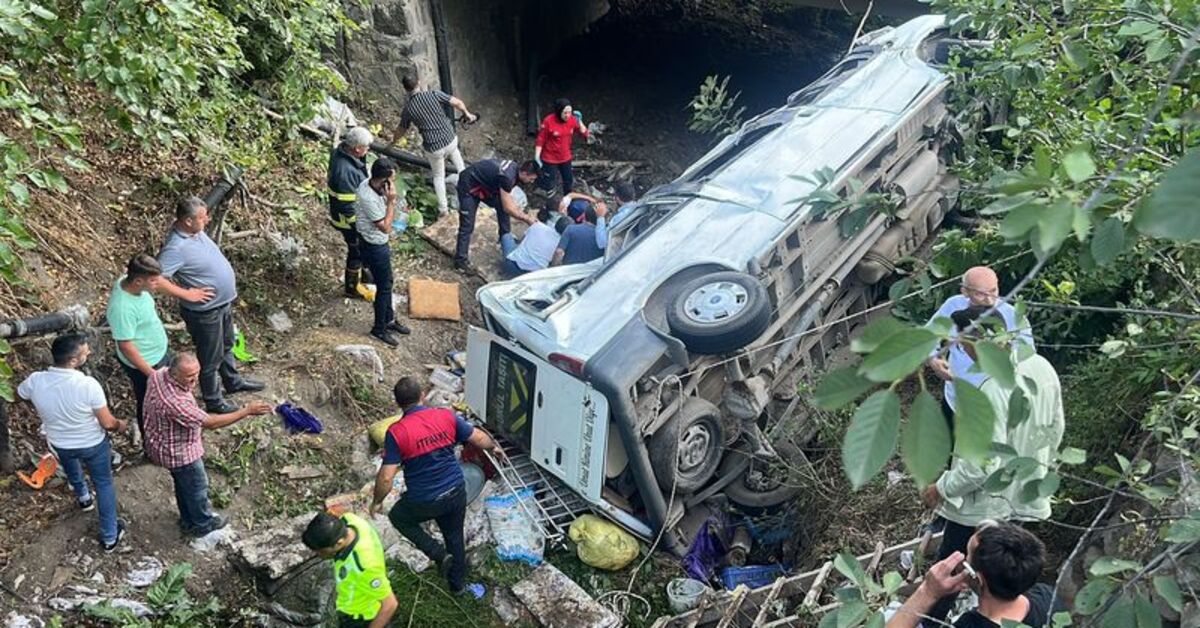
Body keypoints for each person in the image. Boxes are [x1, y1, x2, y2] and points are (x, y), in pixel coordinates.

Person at [920, 305, 1064, 624]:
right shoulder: (1042, 367)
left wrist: (940, 488)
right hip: (1025, 492)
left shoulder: (985, 391)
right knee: (1005, 569)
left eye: (962, 343)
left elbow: (979, 467)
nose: (961, 350)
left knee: (952, 567)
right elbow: (1056, 429)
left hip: (981, 505)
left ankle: (932, 622)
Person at [369, 376, 504, 593]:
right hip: (456, 491)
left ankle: (437, 553)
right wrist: (493, 447)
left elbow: (386, 478)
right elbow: (478, 438)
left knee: (398, 517)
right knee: (454, 536)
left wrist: (377, 501)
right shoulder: (445, 415)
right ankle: (457, 586)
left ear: (398, 403)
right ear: (422, 395)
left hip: (425, 500)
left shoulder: (397, 432)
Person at [17, 333, 128, 551]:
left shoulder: (35, 381)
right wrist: (120, 425)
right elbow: (107, 423)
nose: (89, 353)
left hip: (60, 444)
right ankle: (109, 536)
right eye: (86, 352)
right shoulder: (88, 385)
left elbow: (19, 394)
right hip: (93, 444)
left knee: (71, 467)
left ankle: (84, 498)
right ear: (74, 361)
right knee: (104, 484)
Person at [142, 352, 273, 537]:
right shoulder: (175, 402)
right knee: (197, 487)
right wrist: (246, 411)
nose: (195, 379)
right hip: (178, 452)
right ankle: (202, 524)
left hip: (161, 442)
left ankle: (188, 520)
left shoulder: (158, 375)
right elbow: (210, 422)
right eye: (189, 376)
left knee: (183, 485)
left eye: (197, 373)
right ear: (174, 374)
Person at [157, 196, 264, 414]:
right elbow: (156, 279)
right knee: (210, 357)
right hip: (205, 313)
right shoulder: (175, 248)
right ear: (188, 220)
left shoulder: (196, 233)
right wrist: (187, 293)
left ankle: (232, 382)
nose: (207, 220)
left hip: (221, 305)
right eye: (202, 218)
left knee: (226, 344)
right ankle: (214, 400)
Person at [886, 522, 1062, 628]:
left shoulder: (968, 625)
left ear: (977, 577)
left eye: (967, 554)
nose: (963, 558)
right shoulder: (1048, 598)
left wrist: (927, 592)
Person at [926, 266, 1035, 419]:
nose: (989, 300)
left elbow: (1027, 356)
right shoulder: (953, 306)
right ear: (965, 291)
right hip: (956, 397)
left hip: (995, 401)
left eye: (994, 291)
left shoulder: (1014, 316)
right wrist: (934, 360)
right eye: (980, 294)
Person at [106, 253, 170, 444]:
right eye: (153, 280)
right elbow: (125, 345)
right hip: (145, 362)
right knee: (148, 403)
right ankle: (152, 444)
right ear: (138, 281)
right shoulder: (122, 308)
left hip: (158, 352)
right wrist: (151, 374)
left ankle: (167, 432)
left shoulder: (129, 284)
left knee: (165, 396)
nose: (157, 283)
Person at [396, 75, 477, 216]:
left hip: (434, 148)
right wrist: (467, 114)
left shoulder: (408, 109)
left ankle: (443, 209)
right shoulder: (434, 94)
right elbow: (457, 103)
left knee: (439, 176)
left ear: (405, 89)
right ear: (419, 83)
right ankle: (469, 191)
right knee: (459, 162)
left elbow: (401, 129)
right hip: (450, 138)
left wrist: (392, 143)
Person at [302, 511, 398, 628]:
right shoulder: (350, 520)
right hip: (354, 598)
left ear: (339, 543)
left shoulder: (364, 566)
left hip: (362, 616)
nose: (317, 554)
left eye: (320, 550)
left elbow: (390, 605)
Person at [354, 157, 412, 347]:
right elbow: (386, 228)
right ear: (383, 180)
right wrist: (391, 202)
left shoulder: (371, 184)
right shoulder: (368, 197)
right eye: (391, 179)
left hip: (377, 243)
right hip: (373, 246)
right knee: (384, 287)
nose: (393, 184)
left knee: (387, 283)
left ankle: (389, 319)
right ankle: (379, 328)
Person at [453, 159, 540, 271]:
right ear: (524, 173)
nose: (531, 182)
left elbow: (507, 199)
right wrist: (526, 218)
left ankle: (505, 237)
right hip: (469, 185)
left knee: (501, 205)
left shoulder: (515, 170)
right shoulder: (507, 178)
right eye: (531, 179)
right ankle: (460, 261)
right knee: (467, 225)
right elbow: (508, 207)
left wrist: (517, 210)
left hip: (485, 186)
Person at [328, 127, 374, 299]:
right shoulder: (344, 172)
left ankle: (365, 276)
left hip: (350, 215)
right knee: (356, 250)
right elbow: (346, 204)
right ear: (356, 149)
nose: (368, 150)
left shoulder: (342, 153)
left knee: (360, 249)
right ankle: (351, 287)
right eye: (366, 147)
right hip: (347, 220)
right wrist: (359, 226)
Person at [500, 202, 572, 276]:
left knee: (506, 236)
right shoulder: (561, 245)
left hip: (512, 266)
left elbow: (522, 241)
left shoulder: (537, 225)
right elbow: (555, 262)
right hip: (533, 275)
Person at [534, 98, 589, 194]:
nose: (567, 115)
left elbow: (584, 133)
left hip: (565, 157)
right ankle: (548, 199)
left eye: (569, 112)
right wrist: (537, 156)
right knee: (549, 182)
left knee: (568, 181)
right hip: (550, 158)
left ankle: (567, 199)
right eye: (565, 113)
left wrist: (580, 121)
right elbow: (541, 139)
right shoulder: (548, 121)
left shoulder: (572, 119)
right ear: (559, 111)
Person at [594, 181, 637, 249]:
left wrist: (600, 217)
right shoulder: (638, 208)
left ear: (617, 198)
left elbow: (601, 243)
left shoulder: (620, 218)